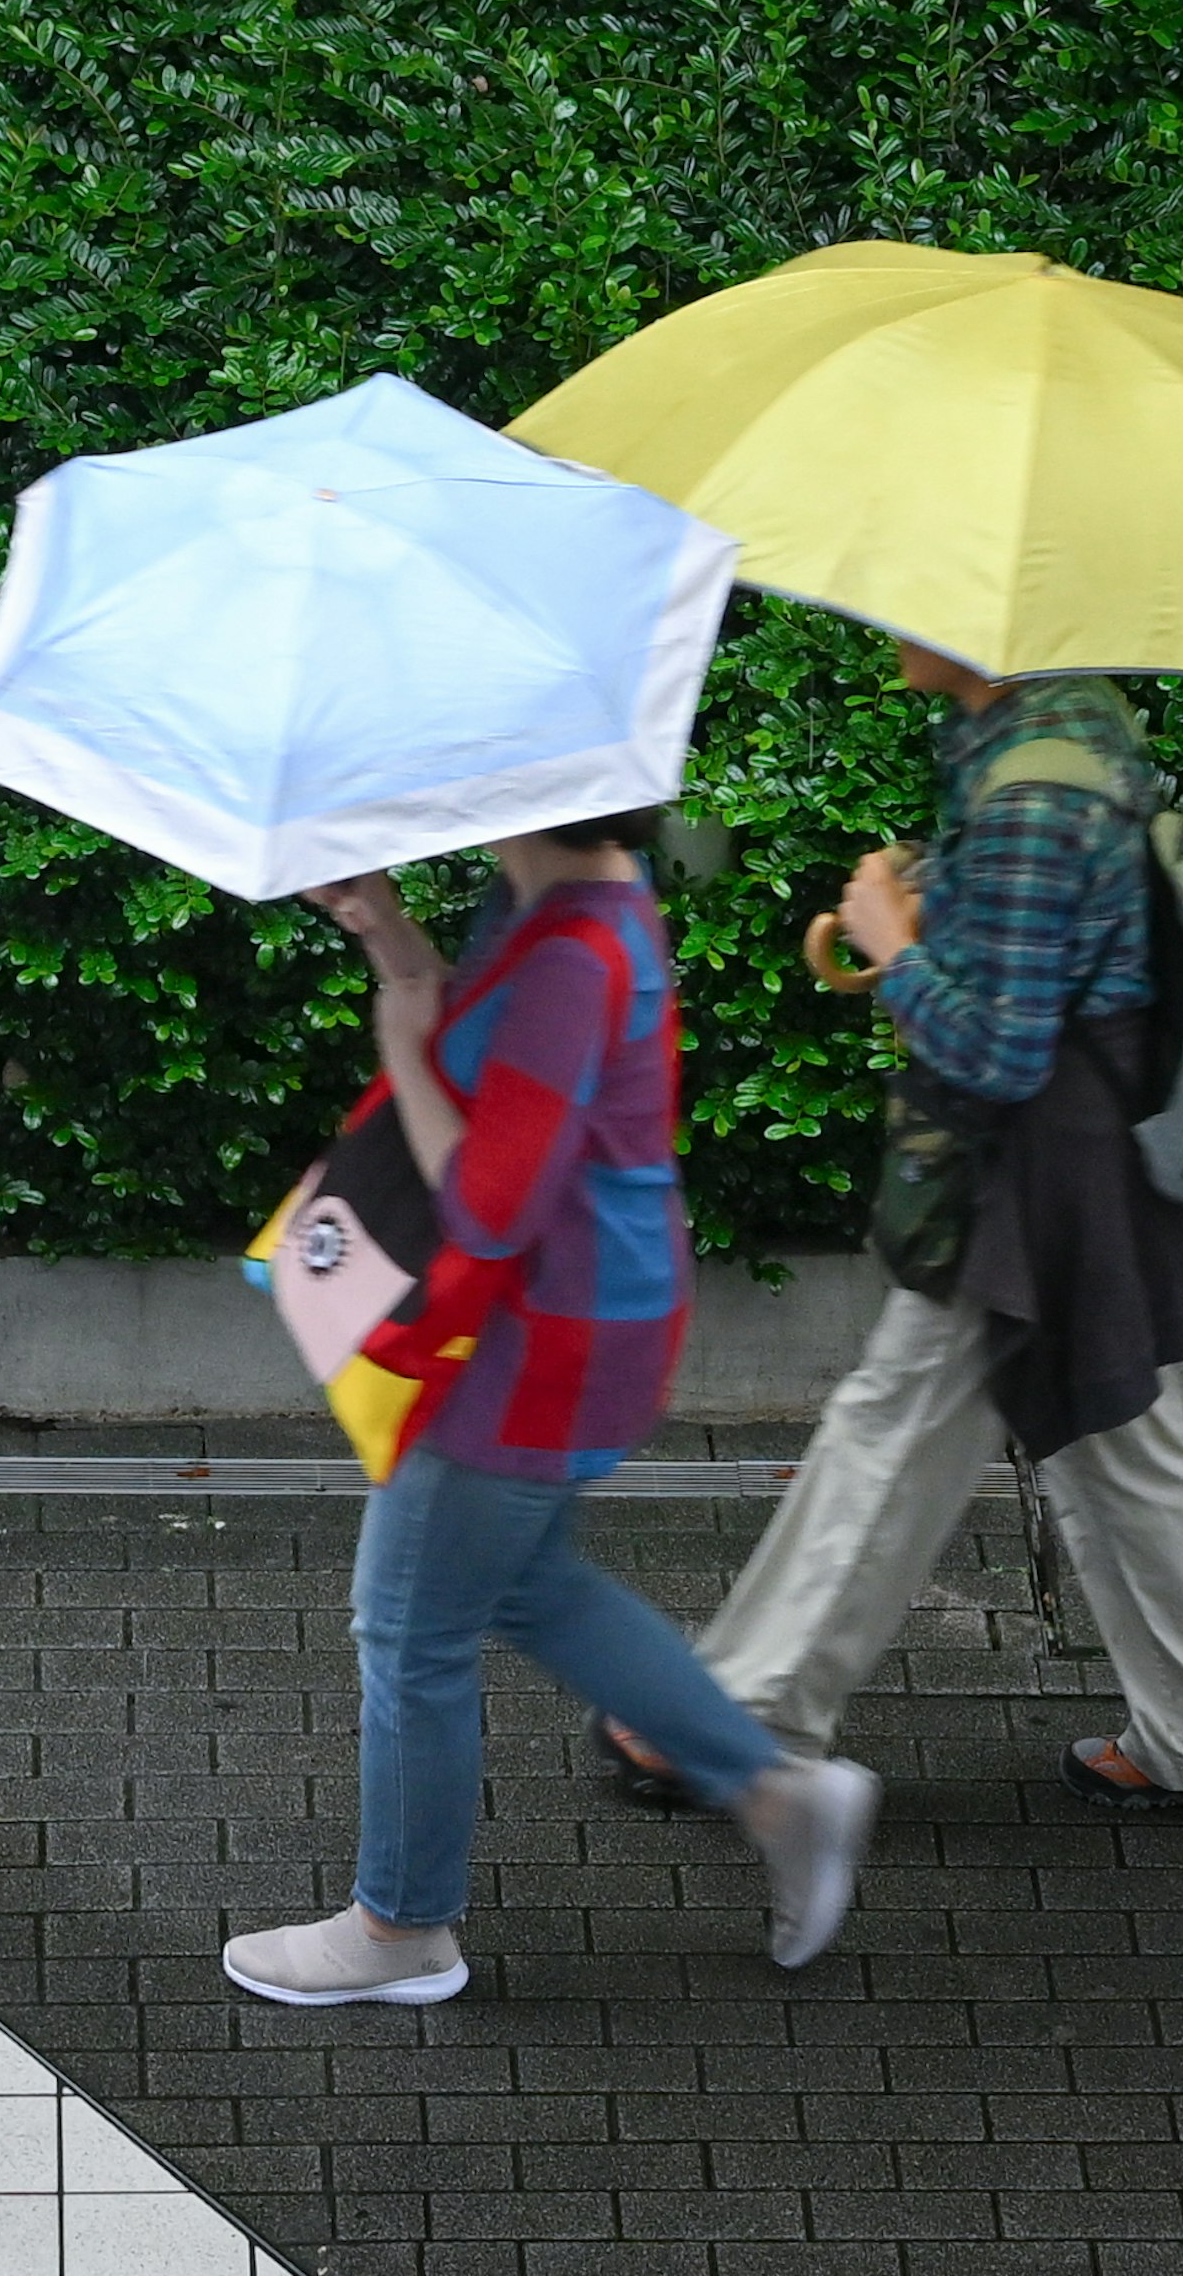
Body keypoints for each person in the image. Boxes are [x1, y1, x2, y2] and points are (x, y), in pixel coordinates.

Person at [636, 647, 1183, 1821]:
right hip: (1090, 1154)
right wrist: (937, 882)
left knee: (897, 1420)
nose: (878, 623)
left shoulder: (1032, 792)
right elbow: (1050, 934)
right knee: (1120, 1434)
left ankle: (741, 1721)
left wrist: (895, 943)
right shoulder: (1068, 718)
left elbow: (999, 1048)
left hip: (1035, 1169)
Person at [221, 812, 880, 2007]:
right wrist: (394, 940)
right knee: (527, 1583)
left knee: (410, 1626)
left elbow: (491, 1206)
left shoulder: (573, 951)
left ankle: (400, 1931)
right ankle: (776, 1792)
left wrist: (408, 1043)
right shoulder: (546, 898)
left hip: (537, 1343)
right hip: (576, 1318)